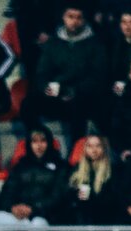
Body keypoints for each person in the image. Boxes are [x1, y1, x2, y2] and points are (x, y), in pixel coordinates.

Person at [23, 4, 107, 145]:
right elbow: (42, 73)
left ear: (84, 20)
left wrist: (74, 91)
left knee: (79, 106)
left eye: (79, 18)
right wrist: (47, 88)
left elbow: (98, 76)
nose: (74, 21)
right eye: (71, 17)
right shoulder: (53, 43)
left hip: (82, 97)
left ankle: (75, 152)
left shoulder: (95, 44)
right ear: (63, 18)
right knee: (28, 105)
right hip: (57, 94)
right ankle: (42, 141)